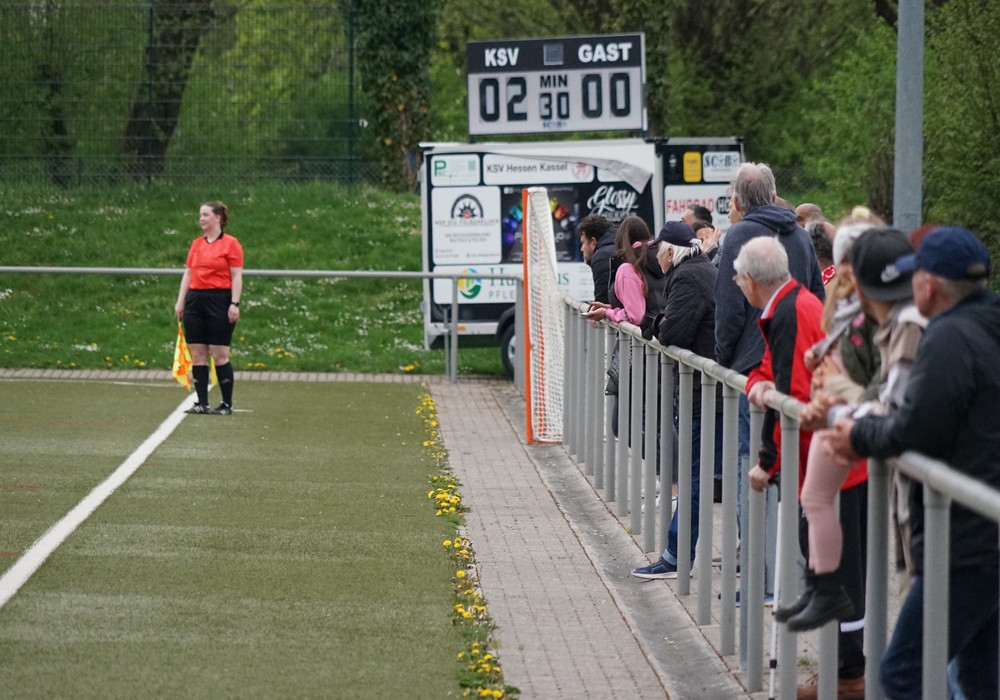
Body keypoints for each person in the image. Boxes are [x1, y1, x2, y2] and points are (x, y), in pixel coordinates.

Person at [828, 226, 1000, 700]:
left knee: (902, 673)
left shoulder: (948, 338)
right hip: (984, 533)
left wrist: (857, 434)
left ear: (928, 284)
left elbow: (914, 428)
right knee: (979, 679)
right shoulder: (988, 322)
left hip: (963, 542)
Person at [783, 229, 922, 644]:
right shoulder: (874, 316)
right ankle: (823, 593)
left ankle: (849, 657)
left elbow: (890, 399)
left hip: (898, 473)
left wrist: (839, 407)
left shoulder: (900, 323)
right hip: (880, 459)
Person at [714, 162, 825, 543]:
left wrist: (722, 361)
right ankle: (784, 565)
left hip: (752, 368)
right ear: (774, 195)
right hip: (796, 363)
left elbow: (727, 310)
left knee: (754, 461)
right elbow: (816, 296)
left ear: (739, 201)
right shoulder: (800, 234)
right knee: (789, 461)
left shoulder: (737, 235)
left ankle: (757, 568)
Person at [632, 222, 723, 579]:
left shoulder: (688, 277)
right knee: (707, 477)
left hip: (707, 394)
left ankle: (676, 557)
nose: (655, 255)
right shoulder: (697, 271)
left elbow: (672, 333)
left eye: (658, 249)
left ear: (671, 251)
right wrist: (660, 321)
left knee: (696, 479)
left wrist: (658, 323)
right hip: (706, 392)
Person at [174, 200, 243, 415]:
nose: (201, 218)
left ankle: (226, 404)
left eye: (205, 214)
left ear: (217, 218)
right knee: (198, 354)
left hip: (219, 299)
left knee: (219, 353)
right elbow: (188, 273)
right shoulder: (197, 244)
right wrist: (181, 300)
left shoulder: (231, 244)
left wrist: (234, 303)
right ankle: (201, 402)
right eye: (200, 215)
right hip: (196, 300)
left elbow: (236, 275)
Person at [577, 214, 616, 304]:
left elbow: (603, 302)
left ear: (593, 242)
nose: (581, 249)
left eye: (583, 243)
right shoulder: (621, 245)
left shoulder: (602, 257)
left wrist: (597, 310)